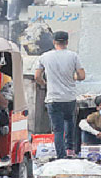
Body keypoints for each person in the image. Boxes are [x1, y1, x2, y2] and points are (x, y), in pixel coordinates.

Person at [35, 31, 85, 159]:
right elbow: (82, 76)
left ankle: (61, 156)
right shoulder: (73, 56)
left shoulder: (44, 57)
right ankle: (70, 150)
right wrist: (74, 77)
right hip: (69, 98)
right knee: (70, 123)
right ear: (67, 42)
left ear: (54, 42)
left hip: (53, 98)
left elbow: (37, 76)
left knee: (58, 129)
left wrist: (45, 83)